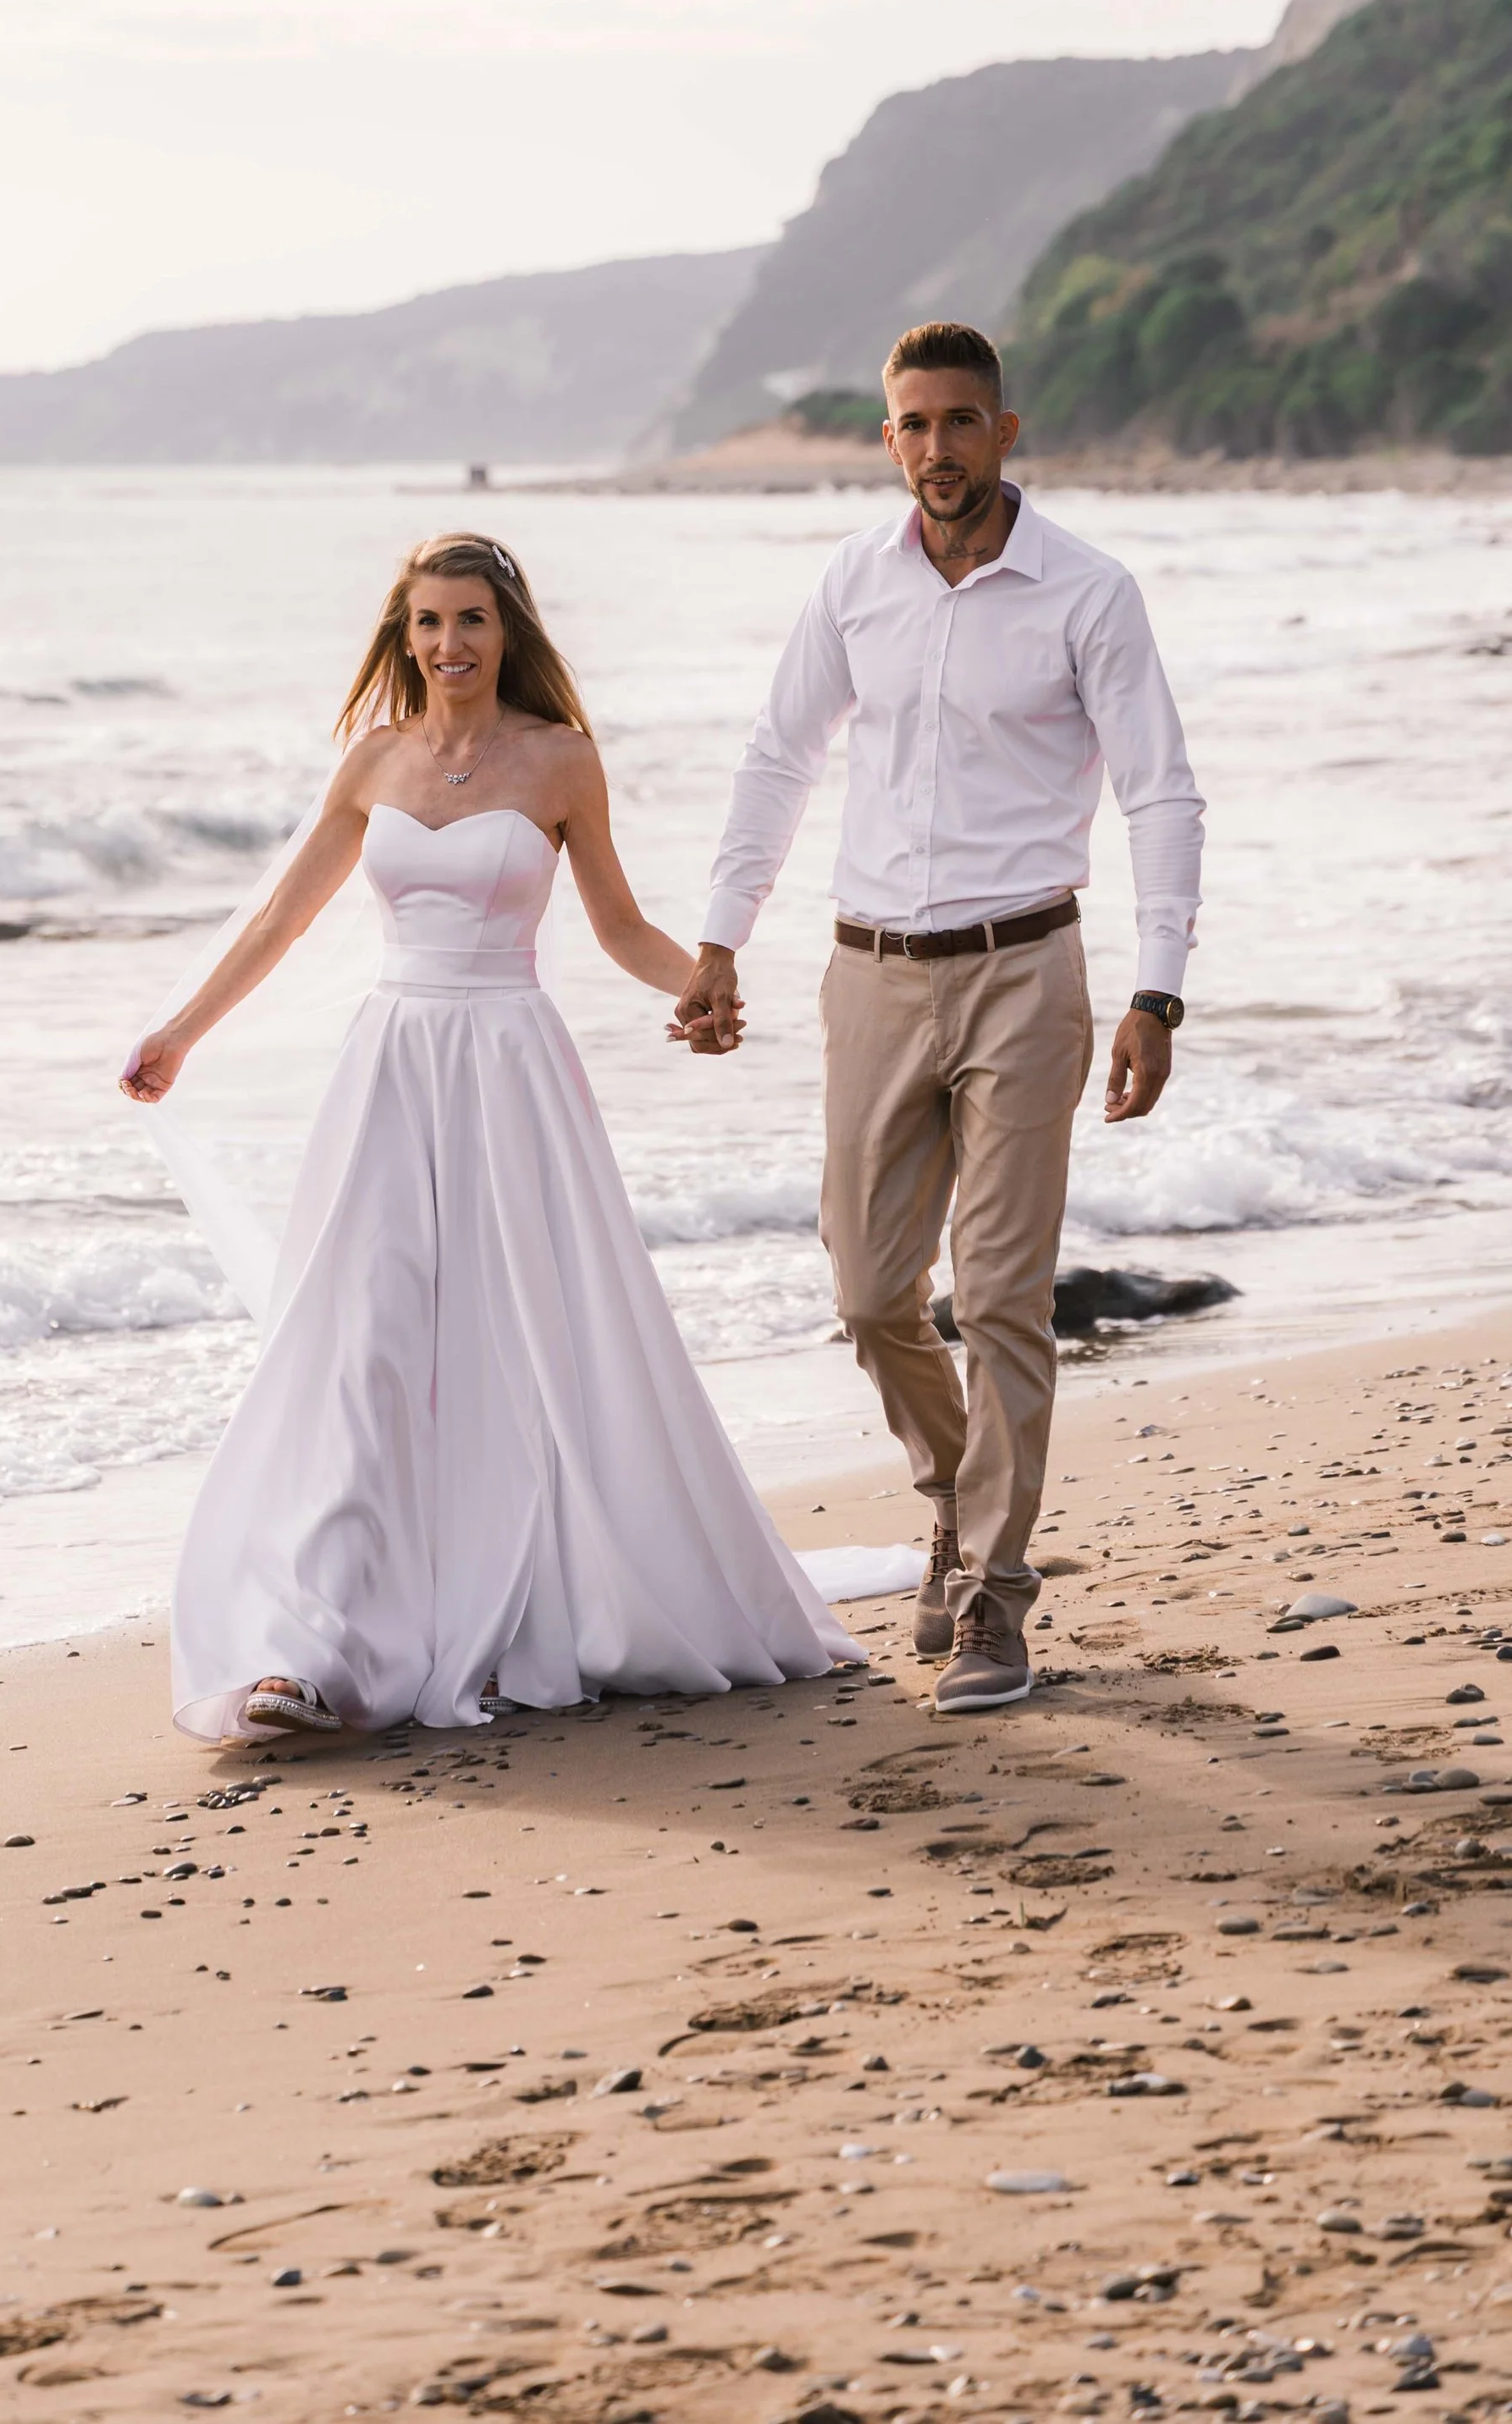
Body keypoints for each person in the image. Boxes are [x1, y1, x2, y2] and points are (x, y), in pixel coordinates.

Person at [121, 532, 864, 1741]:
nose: (449, 644)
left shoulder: (560, 761)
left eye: (470, 619)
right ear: (400, 635)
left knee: (525, 1348)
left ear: (506, 627)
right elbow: (283, 916)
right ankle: (320, 1649)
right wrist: (182, 1029)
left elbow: (618, 924)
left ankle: (533, 1604)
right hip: (393, 1069)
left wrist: (700, 985)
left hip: (513, 1068)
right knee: (361, 1342)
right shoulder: (372, 763)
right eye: (427, 622)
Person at [672, 323, 1205, 1714]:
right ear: (889, 436)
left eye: (961, 422)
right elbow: (780, 752)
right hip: (870, 975)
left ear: (1005, 432)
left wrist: (1159, 986)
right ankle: (957, 1507)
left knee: (1009, 1297)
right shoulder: (855, 579)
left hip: (1029, 971)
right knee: (865, 1288)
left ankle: (995, 1601)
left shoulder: (1089, 592)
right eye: (913, 425)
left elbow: (1161, 792)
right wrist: (720, 937)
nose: (937, 449)